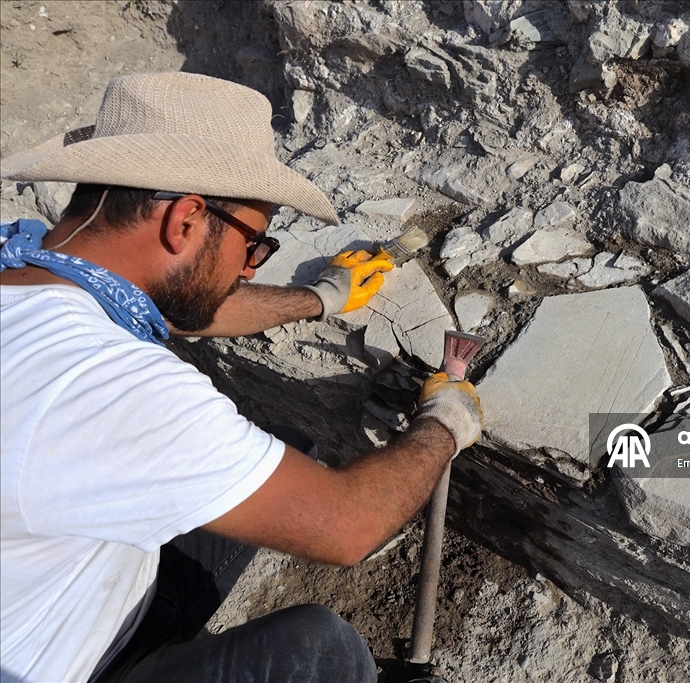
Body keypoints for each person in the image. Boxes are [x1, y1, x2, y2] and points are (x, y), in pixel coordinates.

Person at [0, 72, 482, 683]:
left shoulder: (28, 259)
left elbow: (172, 303)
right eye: (254, 245)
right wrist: (443, 424)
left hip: (68, 590)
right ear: (186, 221)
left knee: (285, 447)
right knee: (320, 654)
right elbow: (346, 527)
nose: (251, 270)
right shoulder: (115, 389)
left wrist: (319, 297)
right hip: (61, 664)